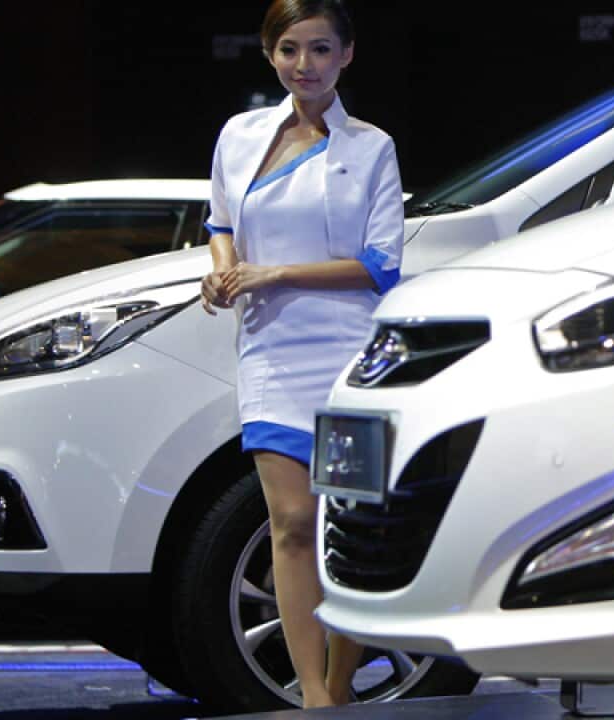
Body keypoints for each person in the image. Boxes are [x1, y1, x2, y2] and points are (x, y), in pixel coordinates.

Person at [199, 0, 403, 708]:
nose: (304, 65)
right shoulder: (239, 135)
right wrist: (222, 269)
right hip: (271, 355)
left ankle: (343, 687)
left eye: (320, 49)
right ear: (269, 53)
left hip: (351, 360)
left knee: (355, 529)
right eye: (290, 49)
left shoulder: (371, 146)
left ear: (346, 55)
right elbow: (221, 221)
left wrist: (273, 273)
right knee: (290, 522)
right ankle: (313, 694)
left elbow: (379, 265)